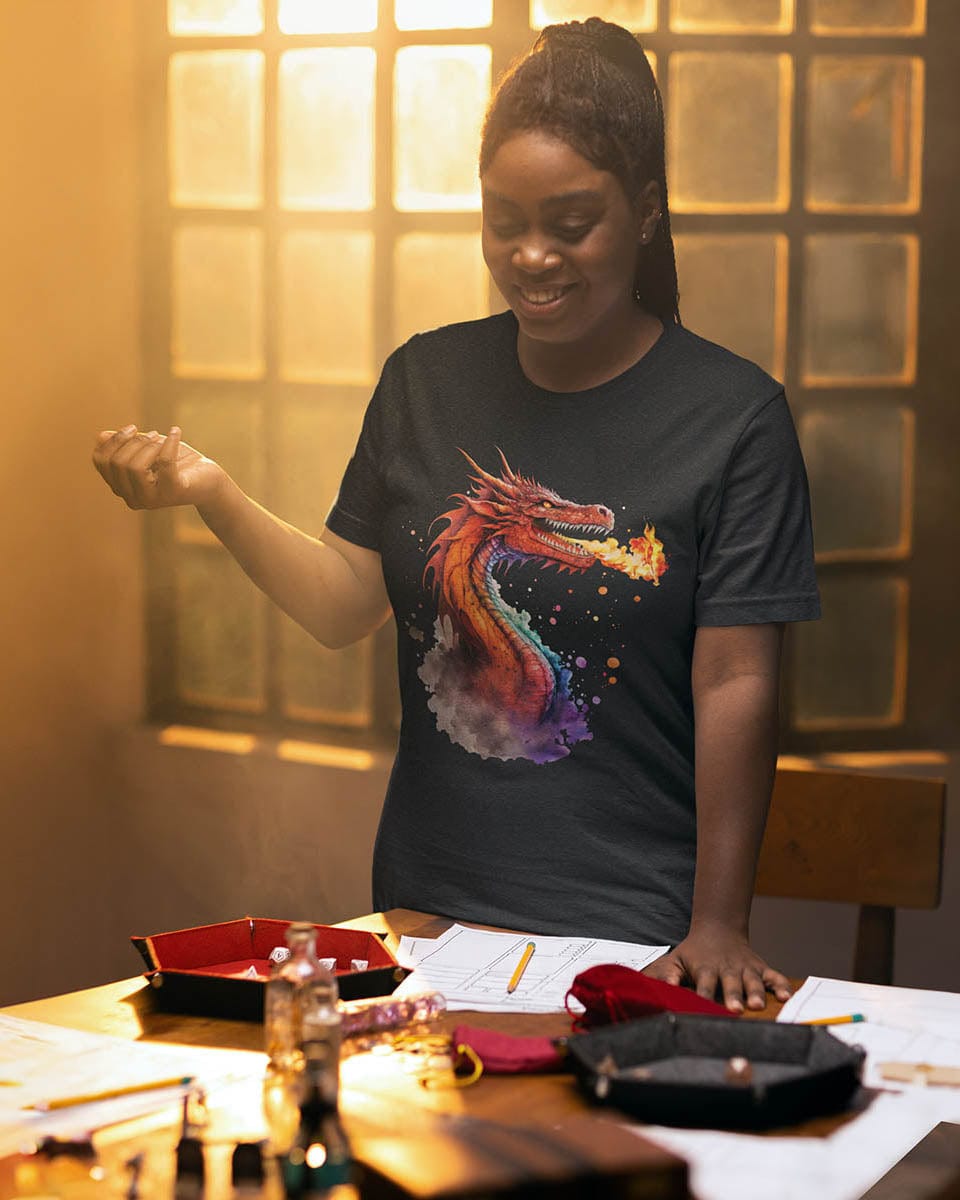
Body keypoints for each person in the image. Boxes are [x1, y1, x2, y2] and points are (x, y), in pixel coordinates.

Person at [93, 18, 819, 1013]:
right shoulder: (424, 382)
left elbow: (738, 679)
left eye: (571, 224)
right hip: (427, 923)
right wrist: (211, 490)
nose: (531, 256)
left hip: (635, 931)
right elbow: (345, 604)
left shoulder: (734, 419)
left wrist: (719, 922)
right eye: (503, 220)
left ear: (645, 212)